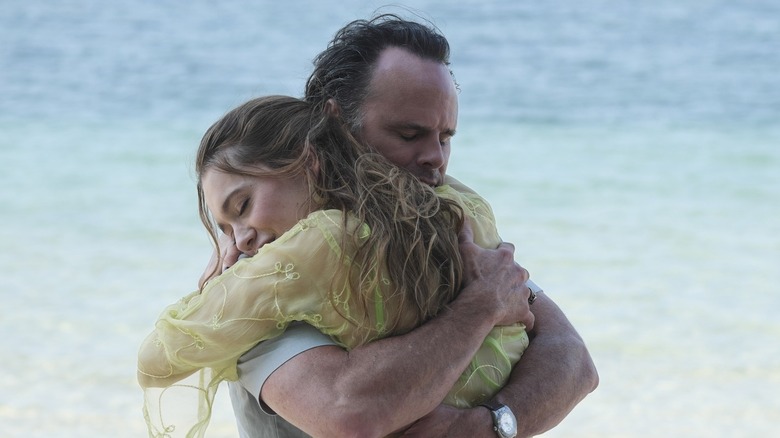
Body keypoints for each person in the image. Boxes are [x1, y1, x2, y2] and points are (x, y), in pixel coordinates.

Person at [221, 14, 598, 438]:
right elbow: (350, 414)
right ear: (336, 125)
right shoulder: (263, 271)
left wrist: (488, 425)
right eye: (409, 134)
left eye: (445, 137)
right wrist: (479, 308)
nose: (435, 157)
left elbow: (573, 360)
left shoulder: (442, 223)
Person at [137, 95, 533, 436]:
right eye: (225, 230)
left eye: (243, 206)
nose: (238, 241)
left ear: (307, 161)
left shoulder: (306, 251)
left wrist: (216, 289)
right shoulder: (457, 212)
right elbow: (572, 360)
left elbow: (158, 358)